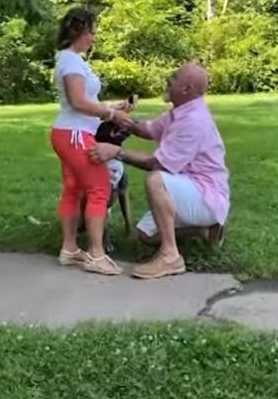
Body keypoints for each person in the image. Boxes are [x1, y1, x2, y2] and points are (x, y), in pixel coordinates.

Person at [89, 61, 230, 279]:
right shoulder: (181, 111)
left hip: (205, 195)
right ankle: (206, 231)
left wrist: (116, 151)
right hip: (188, 189)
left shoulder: (193, 121)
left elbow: (157, 164)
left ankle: (170, 256)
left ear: (186, 89)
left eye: (173, 77)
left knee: (156, 179)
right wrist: (123, 119)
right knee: (144, 234)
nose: (168, 80)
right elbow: (149, 129)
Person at [50, 7, 133, 275]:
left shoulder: (69, 59)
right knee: (99, 189)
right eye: (90, 32)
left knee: (73, 189)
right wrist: (111, 114)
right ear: (77, 31)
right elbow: (77, 101)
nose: (93, 38)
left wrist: (112, 106)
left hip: (68, 131)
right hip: (75, 135)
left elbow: (84, 102)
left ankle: (70, 249)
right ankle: (96, 255)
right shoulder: (71, 62)